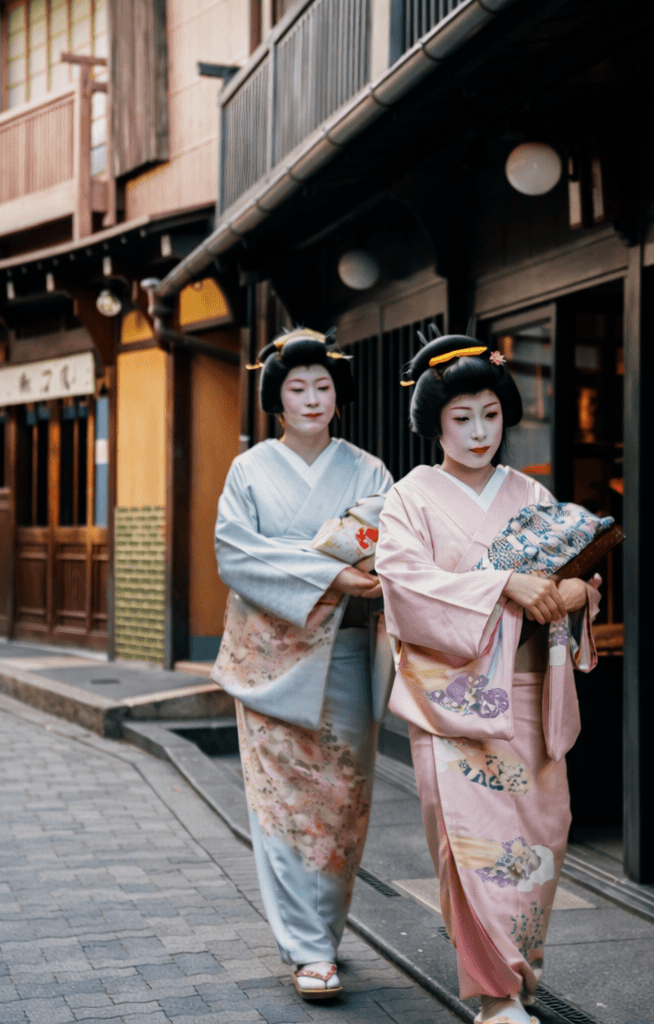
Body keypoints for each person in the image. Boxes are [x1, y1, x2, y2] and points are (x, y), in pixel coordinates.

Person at [375, 329, 602, 1024]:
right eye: (461, 418)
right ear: (435, 423)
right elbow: (406, 585)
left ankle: (521, 979)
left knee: (538, 839)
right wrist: (505, 586)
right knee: (470, 848)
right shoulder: (410, 498)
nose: (479, 433)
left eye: (491, 415)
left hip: (530, 697)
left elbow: (572, 578)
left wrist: (575, 597)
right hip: (452, 703)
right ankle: (495, 997)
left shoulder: (528, 492)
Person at [211, 327, 393, 1000]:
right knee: (284, 803)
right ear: (276, 398)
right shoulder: (250, 469)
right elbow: (236, 555)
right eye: (297, 387)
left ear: (337, 395)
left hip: (342, 651)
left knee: (342, 800)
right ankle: (308, 949)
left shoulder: (369, 471)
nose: (311, 397)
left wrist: (355, 575)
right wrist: (331, 575)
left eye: (322, 385)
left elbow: (384, 545)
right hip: (270, 663)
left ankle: (327, 935)